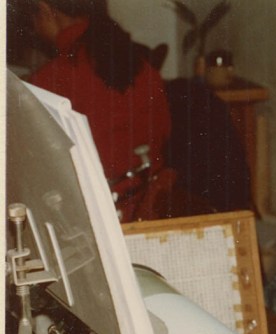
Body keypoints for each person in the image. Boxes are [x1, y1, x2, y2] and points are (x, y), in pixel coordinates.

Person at [25, 0, 172, 219]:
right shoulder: (141, 64)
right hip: (152, 207)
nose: (34, 29)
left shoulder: (47, 82)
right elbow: (164, 134)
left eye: (33, 18)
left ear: (44, 9)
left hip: (98, 216)